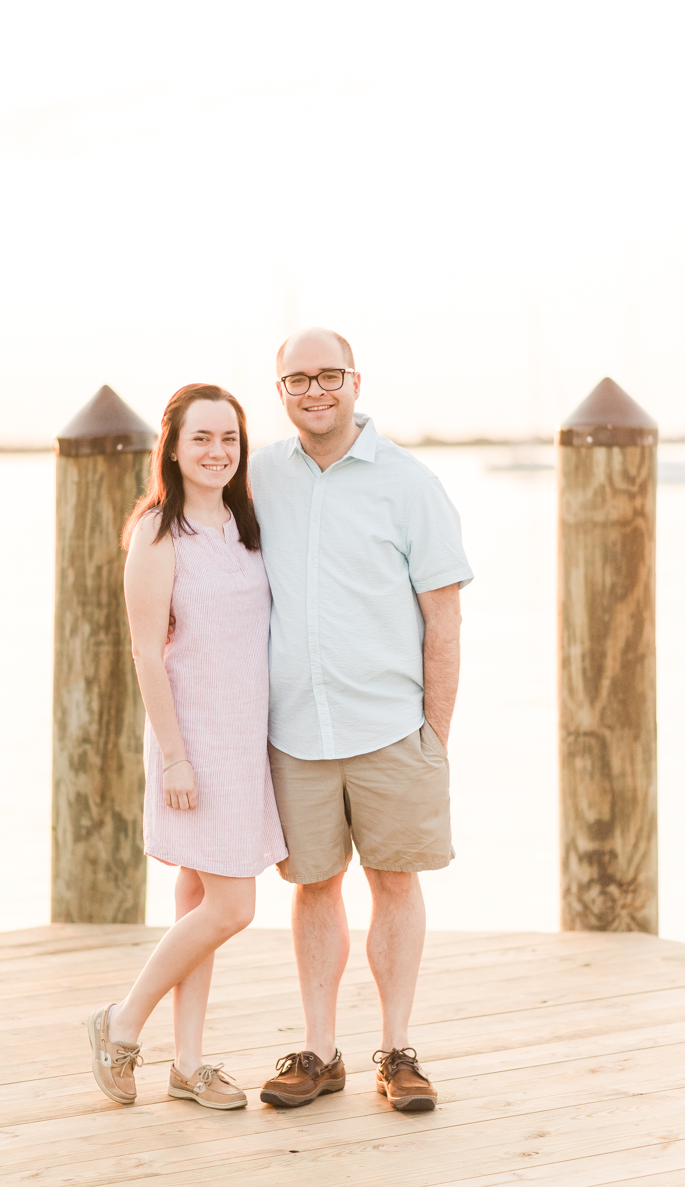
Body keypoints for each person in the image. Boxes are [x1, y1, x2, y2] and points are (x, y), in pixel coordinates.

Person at [250, 328, 473, 1113]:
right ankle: (317, 1051)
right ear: (280, 389)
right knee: (313, 886)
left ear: (354, 380)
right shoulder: (261, 475)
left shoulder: (409, 483)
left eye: (329, 375)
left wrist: (434, 737)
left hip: (391, 728)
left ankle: (398, 1050)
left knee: (395, 881)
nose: (315, 390)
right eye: (297, 379)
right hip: (295, 730)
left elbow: (442, 620)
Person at [87, 383, 287, 1112]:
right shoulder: (157, 531)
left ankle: (189, 1064)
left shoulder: (246, 523)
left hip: (247, 738)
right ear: (172, 446)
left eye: (229, 438)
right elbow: (145, 651)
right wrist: (174, 755)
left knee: (200, 899)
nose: (217, 452)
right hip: (193, 741)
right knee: (233, 906)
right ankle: (121, 1019)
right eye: (201, 438)